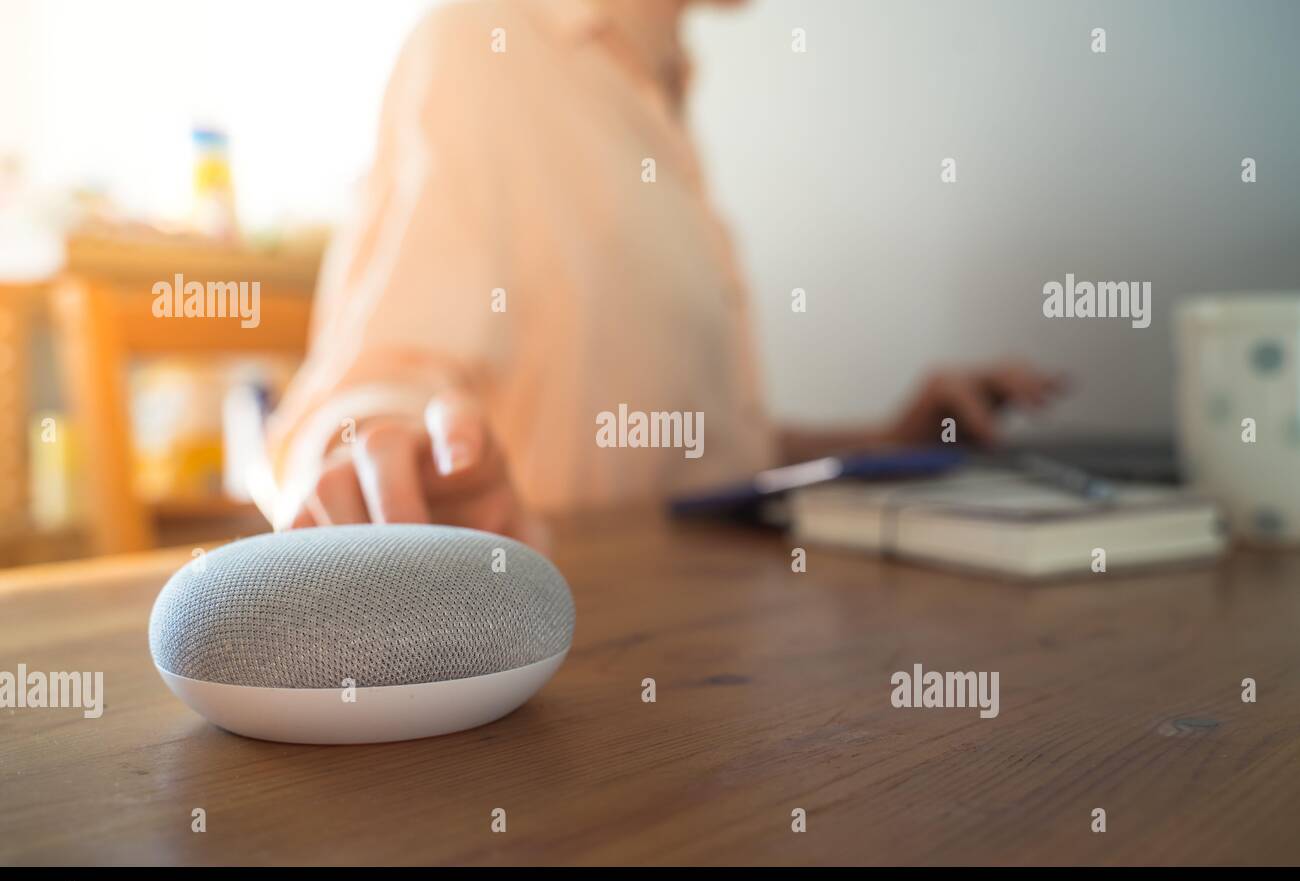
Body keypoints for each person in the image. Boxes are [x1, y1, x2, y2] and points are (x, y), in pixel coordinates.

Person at [265, 0, 1062, 542]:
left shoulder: (658, 92)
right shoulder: (486, 45)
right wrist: (374, 466)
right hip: (575, 690)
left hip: (713, 665)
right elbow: (366, 391)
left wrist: (886, 440)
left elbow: (695, 456)